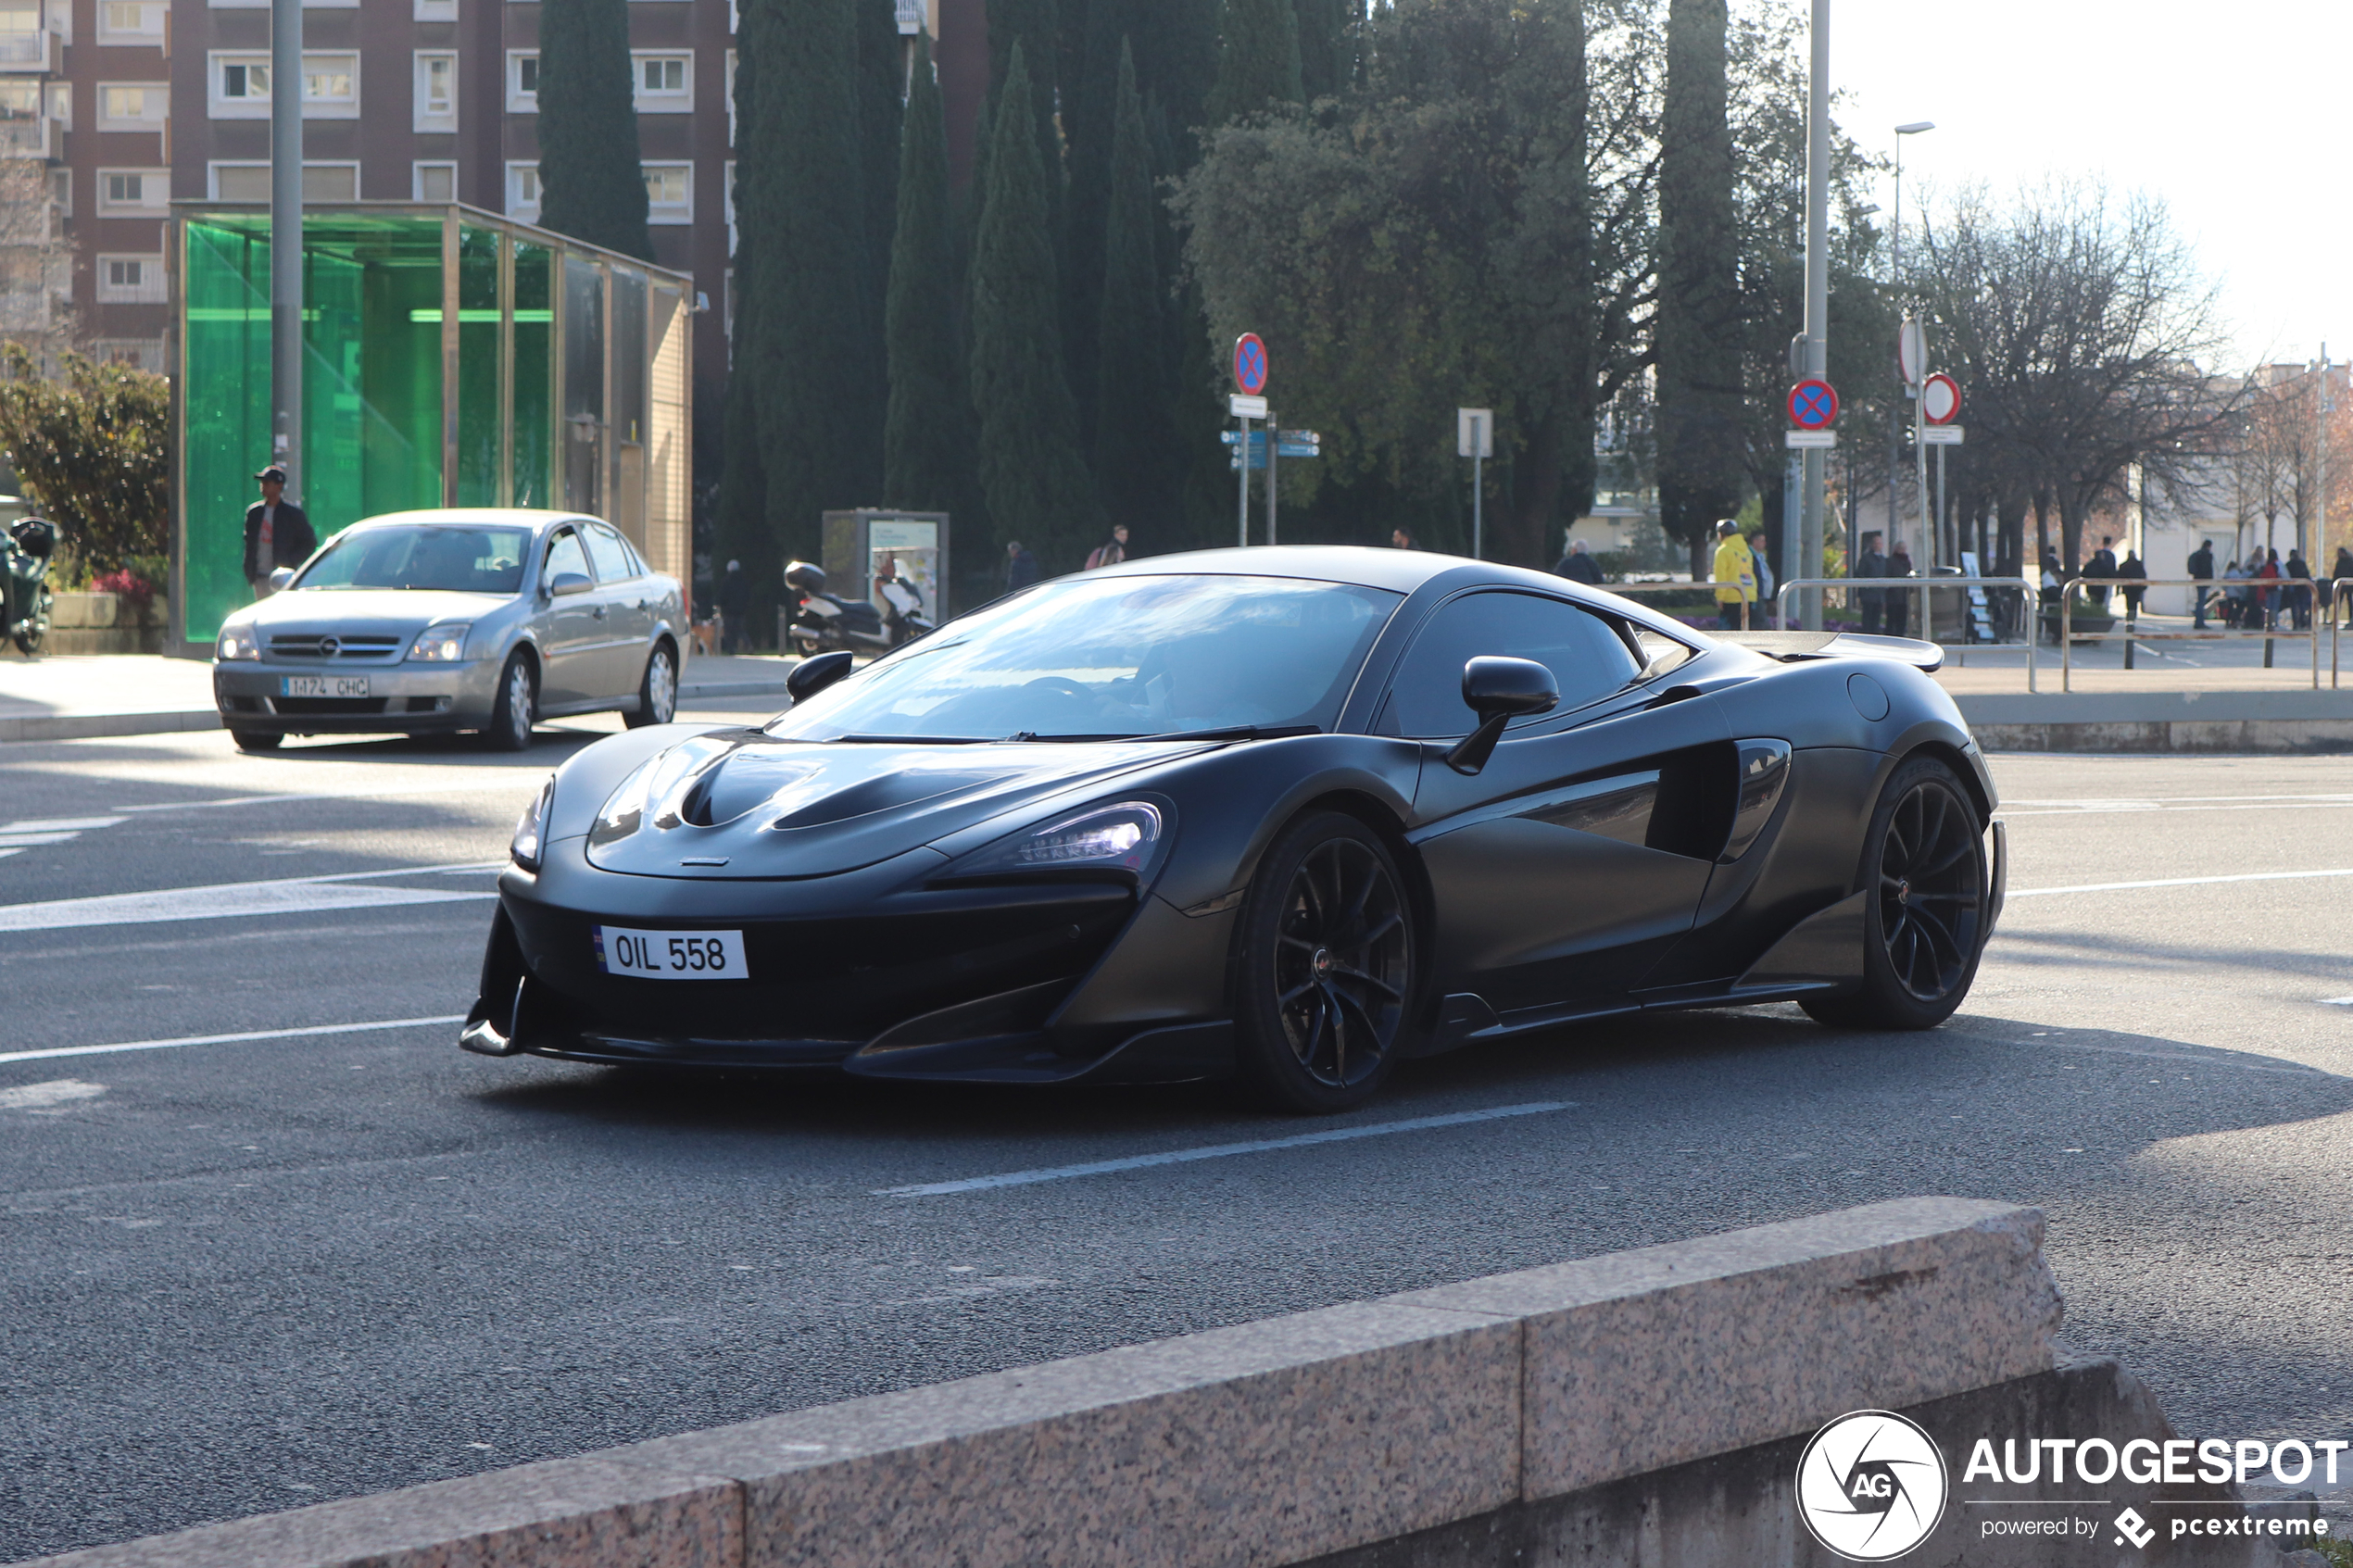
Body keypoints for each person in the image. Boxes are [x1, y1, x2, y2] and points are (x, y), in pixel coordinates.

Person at [242, 465, 315, 598]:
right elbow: (249, 543)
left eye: (267, 482)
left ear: (279, 486)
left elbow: (309, 543)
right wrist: (249, 570)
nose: (263, 486)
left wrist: (290, 561)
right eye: (262, 482)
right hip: (260, 577)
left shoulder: (292, 514)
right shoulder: (254, 513)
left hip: (283, 578)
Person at [1710, 519, 1755, 632]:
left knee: (1729, 633)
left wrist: (1720, 597)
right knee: (1746, 630)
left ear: (1721, 534)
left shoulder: (1723, 551)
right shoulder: (1746, 550)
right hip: (1749, 593)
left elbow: (1721, 576)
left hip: (1732, 595)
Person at [1853, 531, 1887, 633]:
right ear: (1872, 544)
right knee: (1867, 618)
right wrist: (1867, 586)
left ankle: (1875, 636)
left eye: (1879, 543)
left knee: (1876, 618)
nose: (1878, 545)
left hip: (1879, 595)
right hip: (1868, 595)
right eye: (1876, 543)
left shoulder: (1883, 560)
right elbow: (1859, 574)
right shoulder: (1866, 558)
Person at [714, 558, 749, 653]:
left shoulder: (726, 580)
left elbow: (722, 595)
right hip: (741, 610)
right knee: (740, 630)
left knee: (729, 631)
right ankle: (748, 645)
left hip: (728, 611)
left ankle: (732, 649)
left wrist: (718, 604)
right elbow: (747, 595)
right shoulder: (743, 580)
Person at [1884, 539, 1915, 637]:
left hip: (1904, 595)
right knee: (1891, 619)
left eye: (1904, 549)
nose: (1902, 550)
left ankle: (1901, 636)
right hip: (1893, 596)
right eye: (1900, 548)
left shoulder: (1906, 561)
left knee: (1902, 619)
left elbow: (1910, 574)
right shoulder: (1890, 561)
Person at [2187, 538, 2215, 629]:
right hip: (2204, 580)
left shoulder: (2197, 554)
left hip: (2198, 579)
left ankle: (2198, 620)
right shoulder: (2207, 555)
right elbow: (2208, 569)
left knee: (2200, 601)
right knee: (2201, 602)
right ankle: (2199, 622)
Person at [2084, 535, 2118, 608]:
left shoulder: (2091, 563)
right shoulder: (2111, 556)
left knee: (2093, 601)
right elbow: (2113, 569)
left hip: (2092, 584)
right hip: (2106, 581)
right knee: (2106, 599)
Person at [1748, 530, 1775, 613]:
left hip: (1763, 596)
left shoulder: (1761, 557)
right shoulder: (1749, 555)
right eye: (1762, 541)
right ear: (1755, 541)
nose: (1764, 543)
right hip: (1755, 595)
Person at [2286, 549, 2312, 631]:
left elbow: (2286, 576)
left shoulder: (2289, 565)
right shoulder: (2302, 563)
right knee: (2302, 606)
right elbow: (2307, 575)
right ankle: (2302, 621)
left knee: (2294, 606)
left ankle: (2296, 623)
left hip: (2293, 587)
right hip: (2303, 586)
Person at [2119, 550, 2147, 621]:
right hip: (2137, 587)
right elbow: (2143, 575)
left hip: (2128, 588)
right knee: (2135, 602)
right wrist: (2144, 586)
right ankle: (2133, 615)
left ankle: (2130, 614)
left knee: (2129, 602)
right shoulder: (2139, 565)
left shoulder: (2124, 566)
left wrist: (2118, 589)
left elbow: (2120, 578)